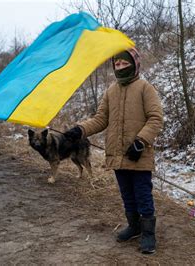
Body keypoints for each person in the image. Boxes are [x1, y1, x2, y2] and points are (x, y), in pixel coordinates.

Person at [65, 48, 164, 254]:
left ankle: (148, 234)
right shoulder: (111, 90)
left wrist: (140, 141)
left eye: (124, 63)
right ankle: (134, 227)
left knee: (143, 195)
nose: (120, 67)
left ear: (134, 64)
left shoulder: (145, 88)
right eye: (116, 64)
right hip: (117, 154)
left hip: (138, 154)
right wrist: (80, 130)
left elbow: (156, 118)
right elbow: (100, 119)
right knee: (127, 195)